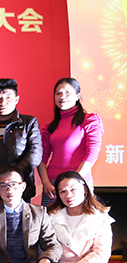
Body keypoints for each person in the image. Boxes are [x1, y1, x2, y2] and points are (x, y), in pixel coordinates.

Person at [0, 78, 42, 202]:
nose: (2, 102)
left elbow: (35, 153)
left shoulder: (28, 122)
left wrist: (11, 178)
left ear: (16, 99)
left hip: (17, 188)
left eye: (8, 97)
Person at [39, 78, 104, 206]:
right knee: (50, 218)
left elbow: (92, 153)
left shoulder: (90, 120)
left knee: (82, 218)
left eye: (67, 92)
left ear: (78, 96)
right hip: (52, 186)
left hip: (79, 182)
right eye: (58, 93)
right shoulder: (49, 127)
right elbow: (41, 158)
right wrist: (45, 182)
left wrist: (75, 181)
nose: (62, 96)